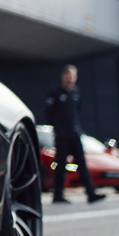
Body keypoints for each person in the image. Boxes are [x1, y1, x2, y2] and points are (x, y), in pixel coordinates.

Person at [44, 64, 107, 205]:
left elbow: (77, 112)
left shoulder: (76, 93)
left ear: (75, 77)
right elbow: (49, 114)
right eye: (67, 75)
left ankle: (91, 193)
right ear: (63, 77)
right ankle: (58, 195)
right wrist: (57, 129)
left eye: (72, 76)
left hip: (74, 134)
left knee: (82, 164)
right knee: (60, 165)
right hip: (62, 136)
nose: (69, 78)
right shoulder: (55, 93)